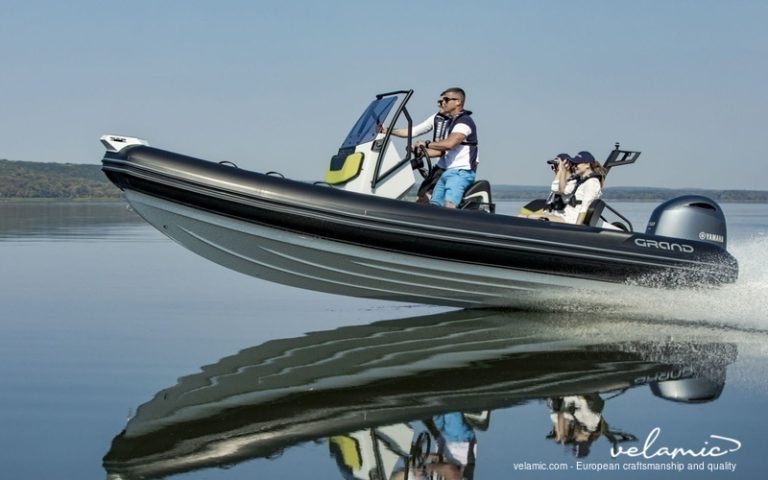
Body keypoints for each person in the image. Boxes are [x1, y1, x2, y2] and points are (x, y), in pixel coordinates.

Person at [381, 90, 455, 203]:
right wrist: (387, 130)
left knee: (428, 197)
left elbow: (441, 151)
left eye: (442, 101)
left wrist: (421, 151)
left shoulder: (455, 123)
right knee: (420, 197)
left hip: (450, 169)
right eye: (438, 101)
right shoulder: (436, 118)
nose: (439, 104)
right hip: (439, 167)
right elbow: (412, 131)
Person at [413, 88, 479, 208]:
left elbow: (450, 144)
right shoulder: (451, 123)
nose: (442, 103)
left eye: (446, 100)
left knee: (449, 205)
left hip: (461, 173)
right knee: (434, 204)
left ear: (458, 102)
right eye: (441, 101)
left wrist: (426, 144)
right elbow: (442, 151)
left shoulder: (464, 121)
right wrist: (421, 151)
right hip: (448, 172)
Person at [527, 151, 605, 224]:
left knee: (532, 217)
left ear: (587, 165)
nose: (575, 166)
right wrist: (562, 170)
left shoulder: (592, 182)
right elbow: (562, 190)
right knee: (529, 217)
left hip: (571, 220)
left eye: (577, 164)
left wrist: (576, 229)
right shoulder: (581, 181)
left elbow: (584, 208)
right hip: (566, 217)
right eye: (574, 164)